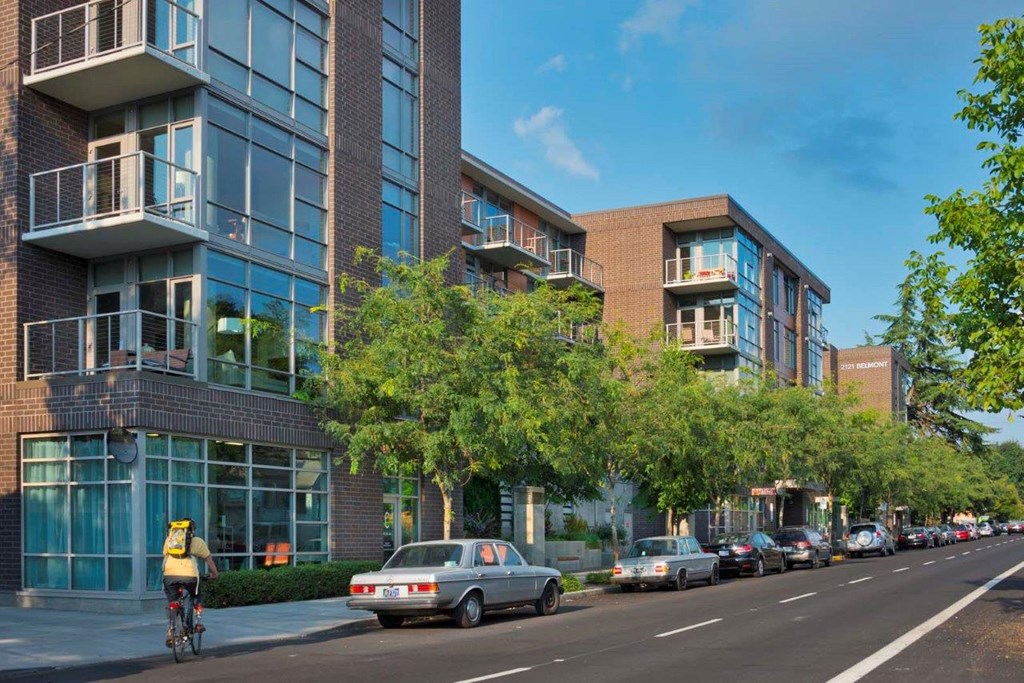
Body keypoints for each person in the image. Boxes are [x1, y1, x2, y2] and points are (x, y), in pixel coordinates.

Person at [162, 518, 218, 647]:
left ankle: (171, 630)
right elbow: (209, 561)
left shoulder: (170, 540)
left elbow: (165, 555)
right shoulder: (198, 542)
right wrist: (215, 574)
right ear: (192, 529)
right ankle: (198, 622)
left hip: (169, 575)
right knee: (198, 595)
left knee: (173, 602)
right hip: (190, 575)